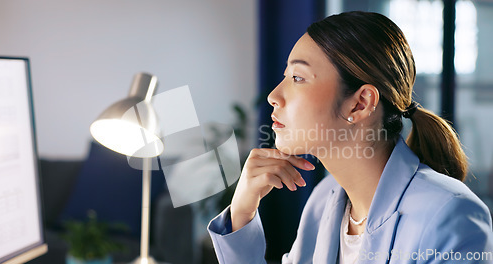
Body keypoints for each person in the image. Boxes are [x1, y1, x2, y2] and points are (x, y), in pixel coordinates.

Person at [207, 11, 493, 264]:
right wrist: (242, 213)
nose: (273, 96)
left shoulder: (450, 215)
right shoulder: (323, 202)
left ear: (360, 103)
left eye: (297, 78)